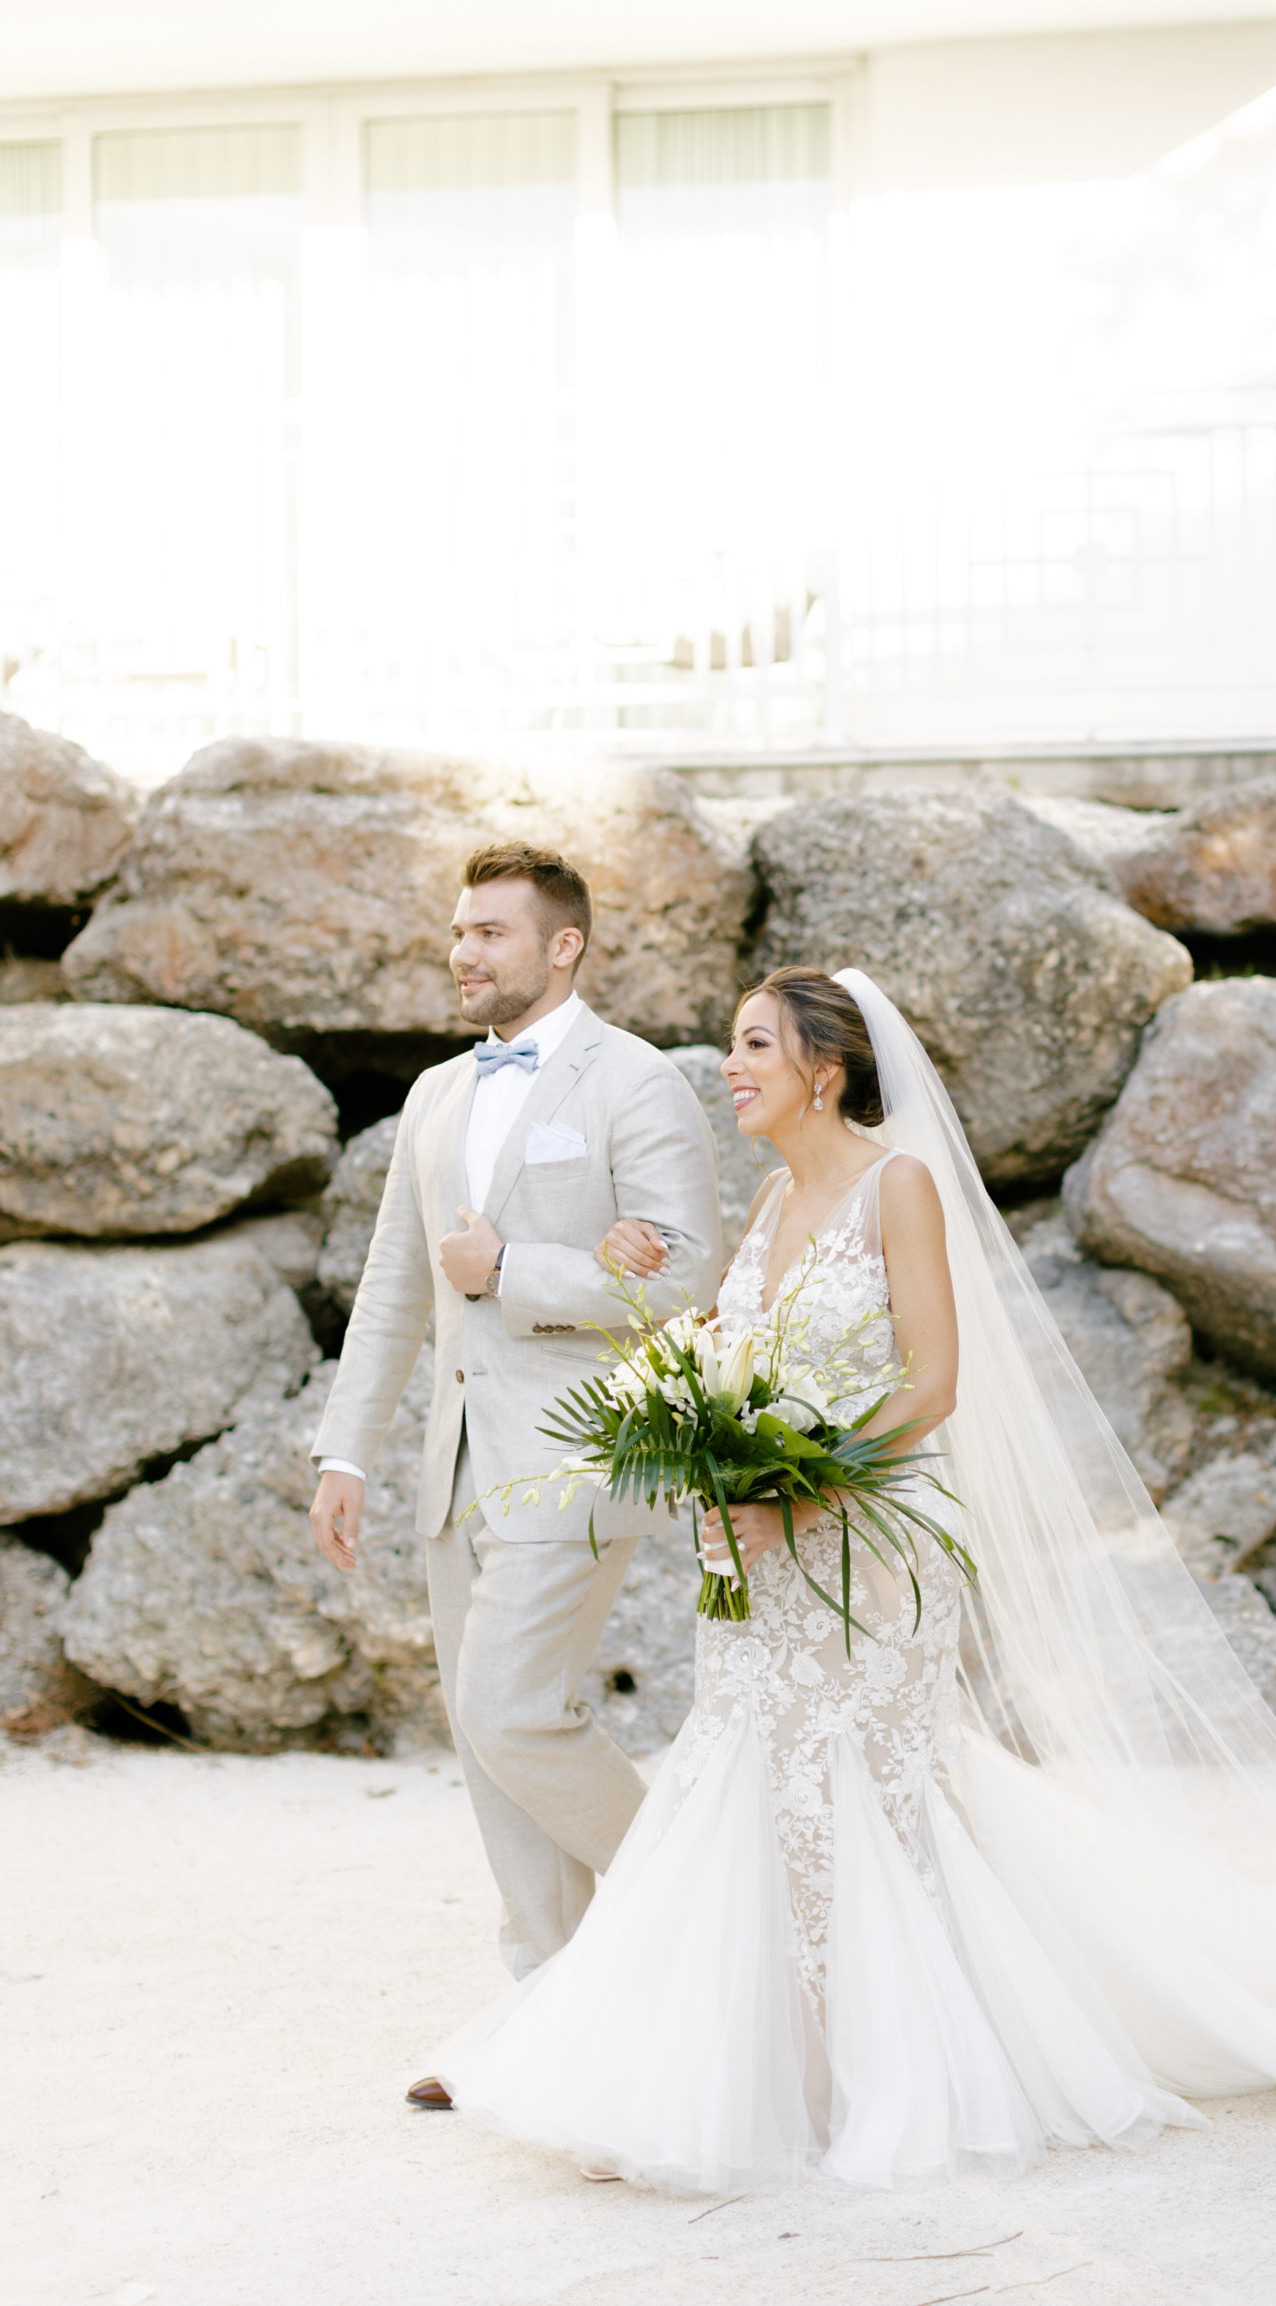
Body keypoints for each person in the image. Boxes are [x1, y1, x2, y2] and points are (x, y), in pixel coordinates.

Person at [432, 965, 1276, 2191]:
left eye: (755, 1043)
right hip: (761, 1552)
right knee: (745, 1779)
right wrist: (716, 1469)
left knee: (867, 1791)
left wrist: (798, 1489)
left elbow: (931, 1384)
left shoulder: (901, 1190)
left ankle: (876, 2073)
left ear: (825, 1070)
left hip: (874, 1541)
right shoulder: (765, 1211)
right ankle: (731, 2070)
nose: (730, 1062)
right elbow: (725, 1369)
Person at [308, 841, 721, 2109]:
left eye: (491, 931)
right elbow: (395, 1286)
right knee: (488, 1748)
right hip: (454, 1465)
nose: (464, 951)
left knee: (511, 1708)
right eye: (458, 929)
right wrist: (346, 1447)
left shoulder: (639, 1085)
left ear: (563, 947)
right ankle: (550, 2010)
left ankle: (695, 1915)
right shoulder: (437, 1093)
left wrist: (517, 1273)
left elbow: (684, 1277)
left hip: (583, 1455)